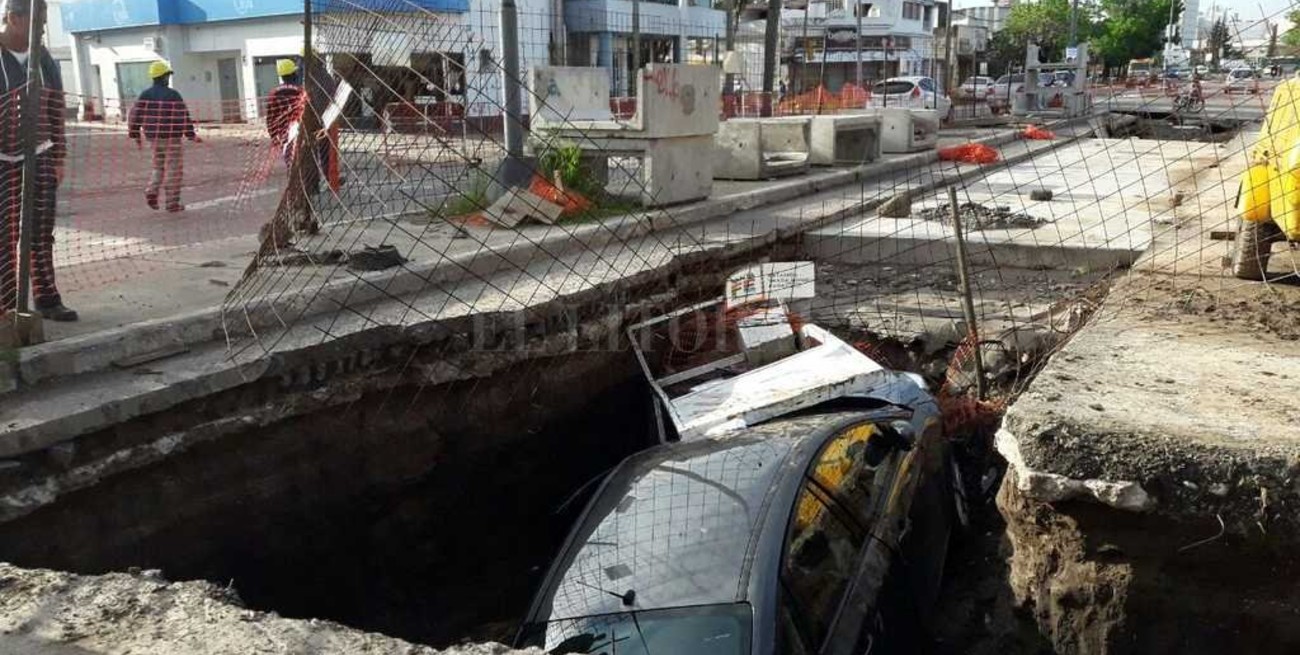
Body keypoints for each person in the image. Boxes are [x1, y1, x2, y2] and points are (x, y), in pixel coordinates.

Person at [0, 0, 74, 321]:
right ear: (14, 19)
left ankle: (46, 297)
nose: (42, 30)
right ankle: (7, 304)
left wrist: (58, 156)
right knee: (3, 234)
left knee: (41, 230)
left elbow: (56, 108)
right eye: (37, 23)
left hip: (40, 154)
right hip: (1, 161)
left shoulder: (44, 58)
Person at [128, 60, 200, 212]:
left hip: (152, 137)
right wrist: (191, 134)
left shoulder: (145, 95)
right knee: (174, 169)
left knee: (158, 167)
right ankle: (172, 203)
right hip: (171, 137)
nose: (168, 78)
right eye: (167, 75)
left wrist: (135, 134)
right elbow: (183, 116)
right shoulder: (173, 95)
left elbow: (135, 115)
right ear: (164, 77)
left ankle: (151, 190)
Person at [265, 57, 305, 167]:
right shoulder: (301, 91)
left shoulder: (274, 93)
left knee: (291, 163)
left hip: (283, 134)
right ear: (293, 74)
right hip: (300, 131)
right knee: (304, 164)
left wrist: (273, 136)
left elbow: (270, 118)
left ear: (282, 76)